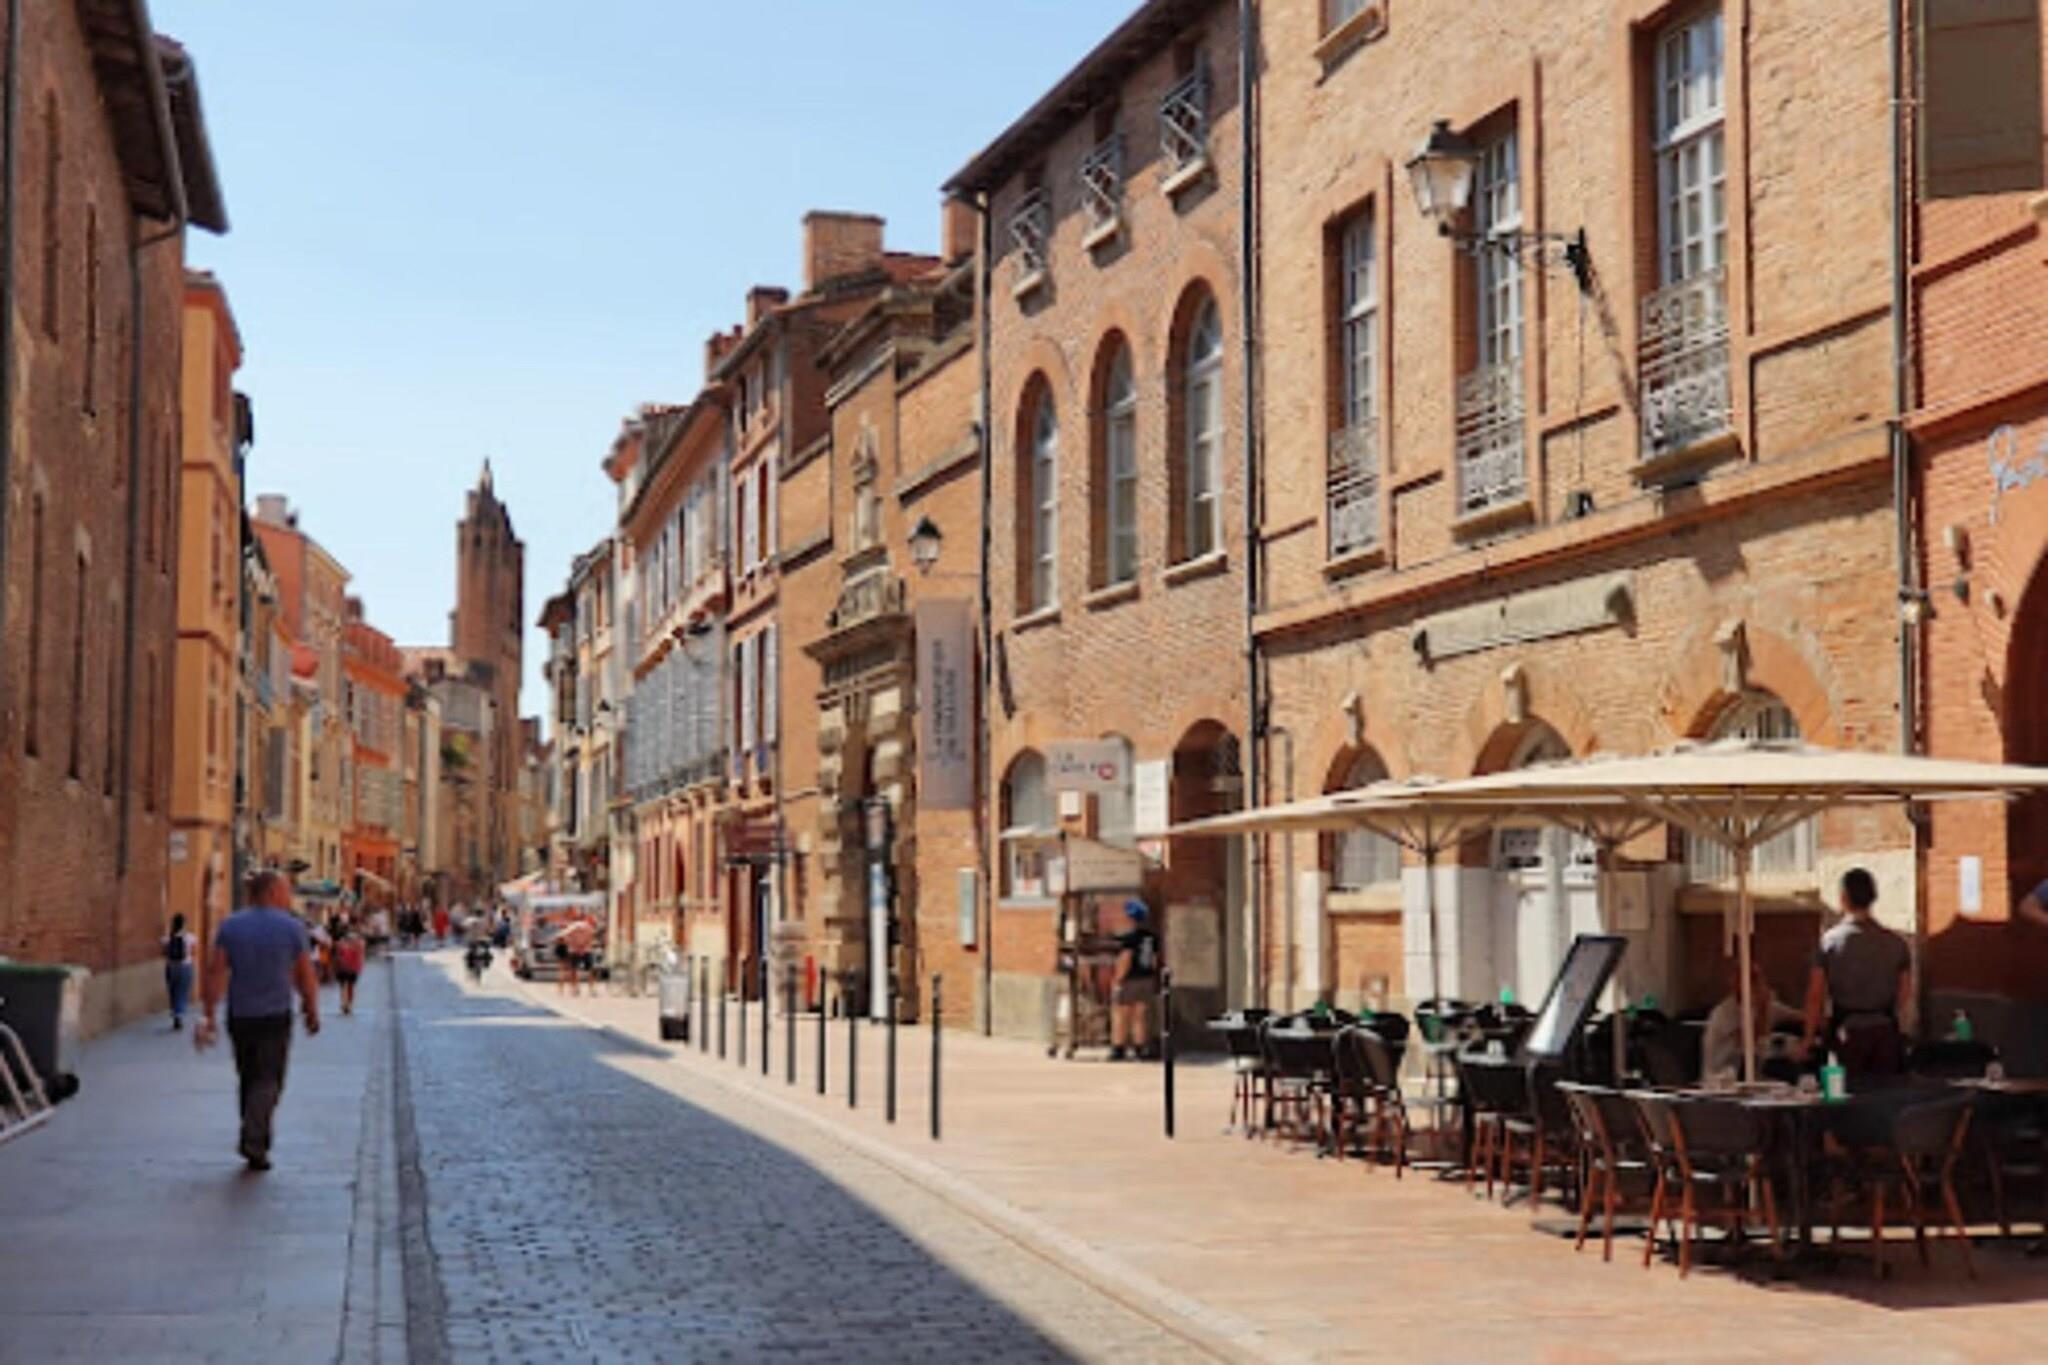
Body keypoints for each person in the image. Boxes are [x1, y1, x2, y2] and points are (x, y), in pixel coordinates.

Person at [195, 870, 321, 1171]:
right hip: (275, 1014)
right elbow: (305, 974)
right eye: (286, 890)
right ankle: (254, 1139)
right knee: (269, 1080)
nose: (289, 897)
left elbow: (216, 971)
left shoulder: (231, 926)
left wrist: (209, 1013)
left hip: (240, 1014)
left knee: (249, 1076)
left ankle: (254, 1137)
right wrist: (311, 1009)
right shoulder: (292, 927)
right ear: (273, 892)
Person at [1801, 867, 1912, 1085]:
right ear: (1873, 897)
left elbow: (1815, 995)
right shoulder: (1897, 944)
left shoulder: (1829, 943)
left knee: (1845, 1095)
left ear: (1843, 898)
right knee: (1887, 1095)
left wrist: (1808, 1038)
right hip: (1885, 1033)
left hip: (1847, 1033)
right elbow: (1905, 993)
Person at [1702, 957, 1802, 1081]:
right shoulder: (1724, 1014)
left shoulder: (1768, 1005)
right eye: (1751, 979)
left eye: (1757, 979)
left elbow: (1799, 1016)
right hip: (1723, 1076)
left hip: (1755, 1075)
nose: (1755, 984)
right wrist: (1762, 1009)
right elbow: (1748, 1042)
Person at [1108, 899, 1161, 1062]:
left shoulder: (1129, 938)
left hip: (1129, 979)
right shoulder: (1152, 937)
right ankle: (1140, 1048)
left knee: (1120, 1014)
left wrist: (1117, 980)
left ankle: (1118, 1049)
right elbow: (1154, 960)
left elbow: (1126, 959)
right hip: (1146, 978)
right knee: (1140, 1016)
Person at [162, 913, 198, 1030]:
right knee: (182, 991)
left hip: (171, 967)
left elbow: (164, 952)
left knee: (172, 990)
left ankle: (175, 1012)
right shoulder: (190, 937)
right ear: (184, 924)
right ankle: (179, 1014)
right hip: (185, 966)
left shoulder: (167, 938)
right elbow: (194, 951)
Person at [559, 915, 596, 997]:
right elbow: (590, 939)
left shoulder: (572, 926)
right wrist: (582, 947)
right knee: (590, 970)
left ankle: (575, 988)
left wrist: (573, 944)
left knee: (574, 970)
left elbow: (562, 936)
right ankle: (592, 989)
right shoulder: (588, 927)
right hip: (585, 950)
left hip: (574, 950)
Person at [333, 927, 365, 1017]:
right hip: (347, 969)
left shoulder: (344, 944)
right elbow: (338, 957)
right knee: (347, 987)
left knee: (346, 987)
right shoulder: (356, 945)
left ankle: (346, 1004)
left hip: (347, 969)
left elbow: (337, 957)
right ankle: (346, 1004)